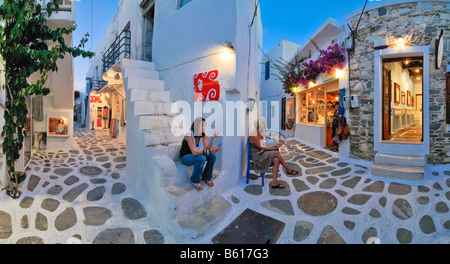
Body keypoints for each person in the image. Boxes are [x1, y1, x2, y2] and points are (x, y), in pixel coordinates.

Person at [248, 120, 299, 189]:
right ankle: (288, 169)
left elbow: (263, 145)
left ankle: (275, 182)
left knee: (276, 159)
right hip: (257, 156)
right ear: (260, 126)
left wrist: (268, 147)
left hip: (261, 152)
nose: (265, 126)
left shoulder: (260, 133)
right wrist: (274, 147)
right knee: (276, 152)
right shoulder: (254, 135)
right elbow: (262, 147)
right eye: (263, 124)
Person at [179, 117, 220, 191]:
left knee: (212, 156)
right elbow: (194, 152)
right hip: (186, 157)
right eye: (202, 125)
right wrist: (209, 151)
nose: (204, 127)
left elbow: (207, 148)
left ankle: (206, 177)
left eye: (204, 125)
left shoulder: (203, 135)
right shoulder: (189, 134)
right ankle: (194, 180)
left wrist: (212, 139)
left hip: (195, 155)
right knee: (202, 158)